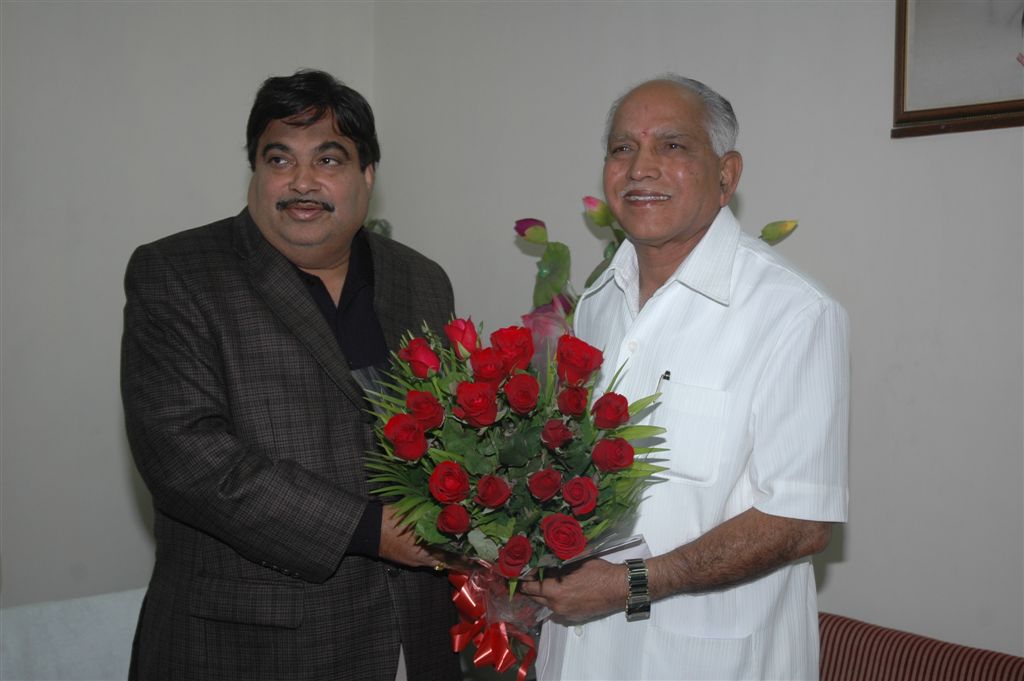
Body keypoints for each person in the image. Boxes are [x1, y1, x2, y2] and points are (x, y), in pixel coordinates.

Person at [120, 69, 461, 681]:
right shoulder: (177, 273)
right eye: (279, 158)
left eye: (329, 158)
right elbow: (186, 458)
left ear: (368, 177)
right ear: (255, 171)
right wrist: (368, 529)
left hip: (414, 633)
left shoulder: (422, 281)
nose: (302, 181)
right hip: (246, 646)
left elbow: (457, 434)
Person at [521, 75, 849, 680]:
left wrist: (630, 586)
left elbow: (801, 522)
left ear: (727, 174)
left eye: (673, 146)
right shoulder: (595, 303)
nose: (640, 167)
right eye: (623, 148)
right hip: (578, 654)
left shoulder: (791, 312)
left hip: (708, 661)